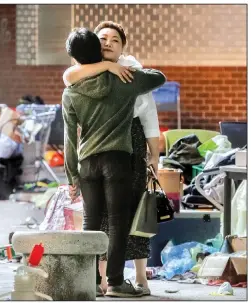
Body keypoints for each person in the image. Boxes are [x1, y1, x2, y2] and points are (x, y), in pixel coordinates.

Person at [62, 27, 166, 298]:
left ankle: (92, 281)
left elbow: (69, 140)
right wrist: (123, 66)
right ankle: (116, 282)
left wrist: (72, 175)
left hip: (87, 162)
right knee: (119, 222)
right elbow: (159, 78)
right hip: (118, 159)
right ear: (98, 50)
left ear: (74, 57)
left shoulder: (71, 90)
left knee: (90, 222)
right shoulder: (124, 80)